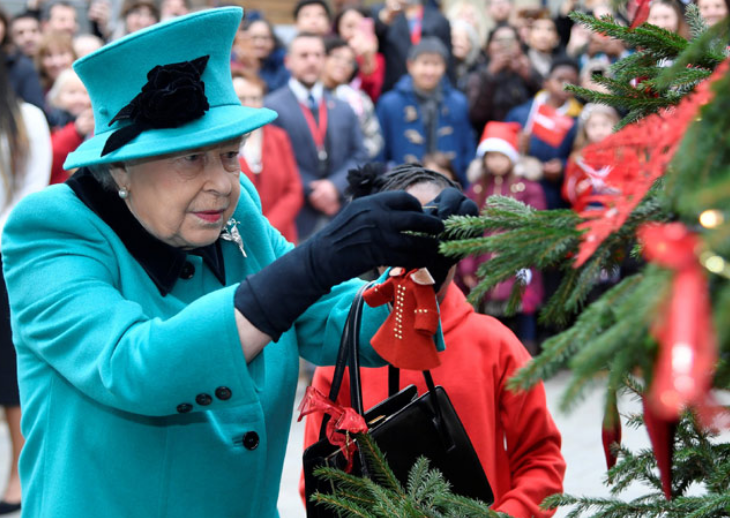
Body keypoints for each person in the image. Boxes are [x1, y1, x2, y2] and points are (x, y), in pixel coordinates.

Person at [1, 8, 476, 518]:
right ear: (120, 166)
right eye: (191, 158)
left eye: (231, 155)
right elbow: (136, 367)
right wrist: (314, 263)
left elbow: (337, 324)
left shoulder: (235, 209)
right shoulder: (51, 230)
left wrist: (424, 259)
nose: (224, 182)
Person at [301, 163, 565, 518]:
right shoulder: (341, 357)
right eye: (404, 237)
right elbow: (320, 485)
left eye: (436, 238)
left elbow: (541, 460)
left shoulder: (496, 345)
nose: (420, 258)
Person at [0, 48, 52, 517]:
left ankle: (20, 470)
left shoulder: (28, 120)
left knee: (11, 376)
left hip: (5, 259)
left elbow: (28, 198)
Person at [265, 32, 367, 239]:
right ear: (288, 61)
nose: (312, 61)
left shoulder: (344, 108)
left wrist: (334, 186)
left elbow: (360, 155)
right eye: (304, 56)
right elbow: (273, 161)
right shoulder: (271, 107)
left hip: (339, 213)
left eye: (317, 55)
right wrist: (312, 189)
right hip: (296, 217)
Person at [460, 121, 546, 350]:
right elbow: (469, 229)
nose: (496, 162)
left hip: (519, 259)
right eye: (491, 156)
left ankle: (527, 351)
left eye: (501, 156)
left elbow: (537, 223)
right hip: (486, 260)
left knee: (523, 306)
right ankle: (495, 353)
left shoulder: (527, 188)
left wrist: (528, 252)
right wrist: (467, 266)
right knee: (491, 312)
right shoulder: (477, 189)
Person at [376, 38, 474, 186]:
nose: (430, 71)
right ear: (410, 65)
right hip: (402, 187)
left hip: (449, 185)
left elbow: (467, 146)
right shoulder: (390, 103)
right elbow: (380, 153)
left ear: (444, 67)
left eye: (436, 64)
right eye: (425, 63)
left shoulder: (457, 102)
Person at [232, 71, 303, 243]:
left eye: (255, 98)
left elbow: (294, 189)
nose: (250, 104)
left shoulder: (278, 137)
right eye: (242, 98)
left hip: (280, 236)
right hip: (241, 238)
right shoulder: (223, 144)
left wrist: (267, 227)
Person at [505, 57, 582, 210]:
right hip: (517, 192)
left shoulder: (577, 121)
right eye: (560, 80)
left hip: (553, 197)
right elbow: (500, 147)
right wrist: (517, 147)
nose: (566, 86)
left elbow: (581, 154)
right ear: (546, 82)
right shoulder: (521, 113)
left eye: (572, 81)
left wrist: (563, 166)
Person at [465, 23, 540, 136]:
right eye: (499, 40)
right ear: (488, 47)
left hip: (521, 135)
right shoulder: (477, 74)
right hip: (488, 138)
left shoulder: (526, 69)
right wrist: (491, 73)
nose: (504, 45)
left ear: (519, 45)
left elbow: (545, 100)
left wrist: (527, 74)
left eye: (510, 40)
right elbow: (475, 115)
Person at [322, 36, 383, 161]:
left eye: (349, 61)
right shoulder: (309, 95)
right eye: (337, 57)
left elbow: (374, 138)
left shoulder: (359, 99)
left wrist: (355, 157)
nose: (343, 64)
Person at [372, 0, 453, 93]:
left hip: (433, 90)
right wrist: (385, 17)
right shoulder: (383, 15)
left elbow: (448, 61)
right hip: (394, 88)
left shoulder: (438, 20)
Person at [562, 103, 620, 212]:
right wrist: (578, 188)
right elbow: (568, 190)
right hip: (586, 212)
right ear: (585, 130)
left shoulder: (622, 154)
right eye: (593, 126)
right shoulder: (578, 158)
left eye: (605, 124)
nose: (599, 130)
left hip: (615, 213)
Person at [47, 68, 93, 183]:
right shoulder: (51, 122)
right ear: (57, 96)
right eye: (72, 92)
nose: (79, 99)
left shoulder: (95, 122)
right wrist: (76, 132)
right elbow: (49, 158)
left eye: (85, 93)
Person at [334, 6, 385, 102]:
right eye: (349, 26)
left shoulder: (377, 58)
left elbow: (373, 93)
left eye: (360, 27)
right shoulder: (331, 55)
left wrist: (368, 57)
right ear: (338, 29)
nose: (354, 32)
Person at [237, 15, 290, 94]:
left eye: (265, 38)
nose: (259, 43)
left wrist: (254, 67)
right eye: (254, 38)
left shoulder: (281, 63)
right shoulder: (233, 62)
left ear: (273, 41)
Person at [33, 30, 76, 94]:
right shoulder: (36, 91)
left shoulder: (86, 87)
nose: (56, 62)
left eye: (62, 53)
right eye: (49, 55)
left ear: (73, 55)